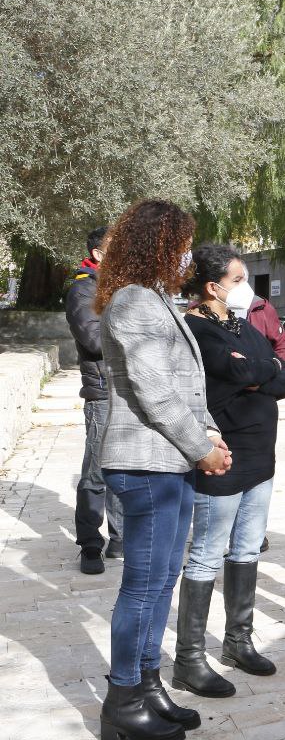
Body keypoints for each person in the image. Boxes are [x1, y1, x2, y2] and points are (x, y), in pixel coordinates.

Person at [95, 199, 232, 740]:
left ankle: (149, 686)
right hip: (144, 462)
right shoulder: (133, 302)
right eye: (180, 244)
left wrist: (210, 434)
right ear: (157, 244)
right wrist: (202, 448)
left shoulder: (153, 299)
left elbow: (184, 384)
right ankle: (123, 699)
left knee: (161, 581)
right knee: (143, 585)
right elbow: (154, 391)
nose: (187, 256)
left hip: (167, 458)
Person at [170, 244, 285, 698]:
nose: (247, 289)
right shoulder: (196, 329)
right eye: (239, 280)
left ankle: (239, 641)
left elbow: (284, 376)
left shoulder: (243, 325)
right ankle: (189, 658)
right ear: (212, 286)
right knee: (206, 553)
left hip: (262, 456)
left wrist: (258, 371)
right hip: (223, 456)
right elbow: (228, 369)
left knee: (246, 549)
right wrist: (260, 371)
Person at [65, 226, 124, 573]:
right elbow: (93, 339)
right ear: (99, 254)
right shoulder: (83, 288)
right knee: (97, 470)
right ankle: (90, 543)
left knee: (122, 467)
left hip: (128, 389)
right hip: (103, 392)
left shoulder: (122, 287)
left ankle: (120, 538)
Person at [242, 289, 285, 554]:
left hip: (260, 400)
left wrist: (274, 368)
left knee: (259, 471)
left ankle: (255, 534)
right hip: (223, 402)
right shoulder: (200, 311)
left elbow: (281, 343)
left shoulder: (262, 308)